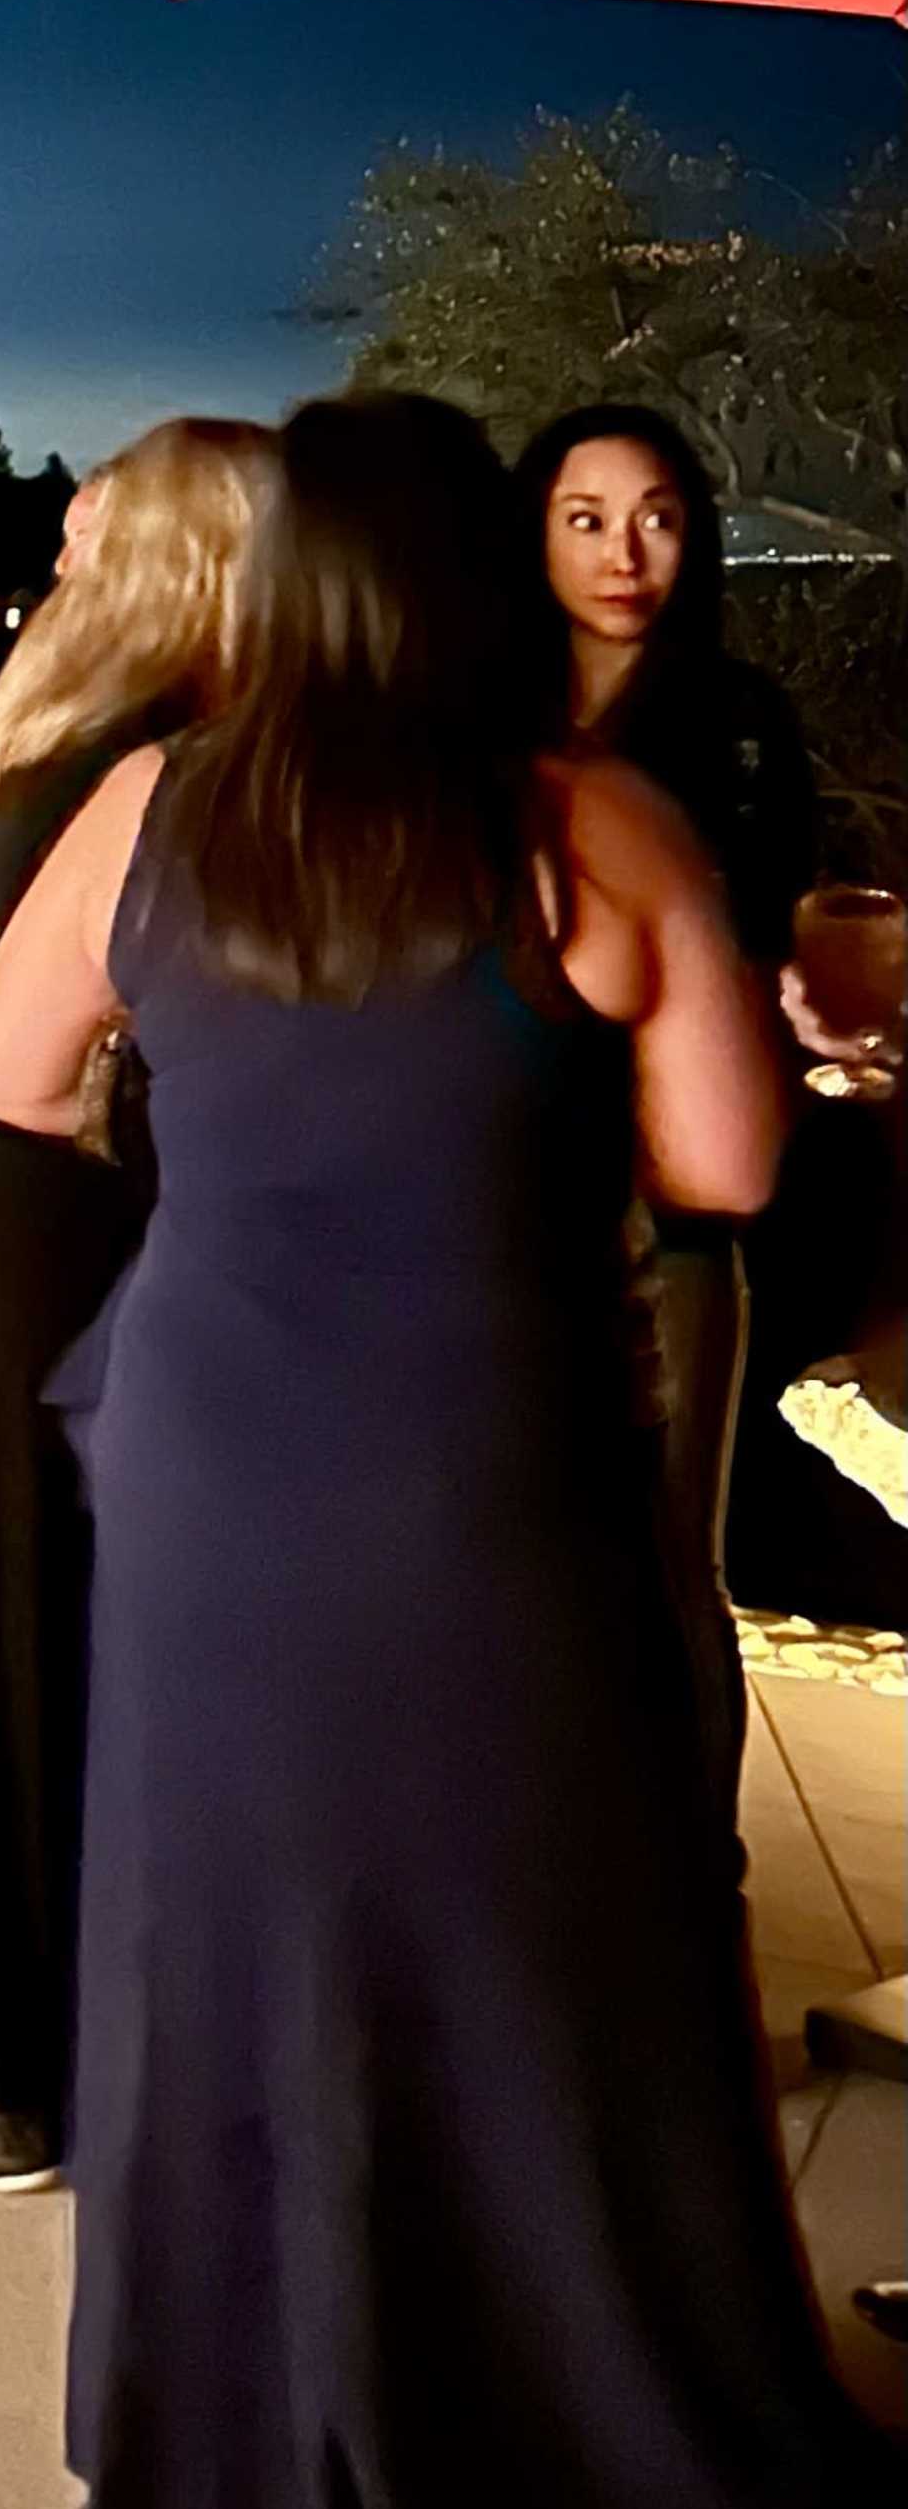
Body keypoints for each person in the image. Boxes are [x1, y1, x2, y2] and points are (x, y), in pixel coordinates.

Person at [0, 392, 893, 2509]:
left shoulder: (148, 810)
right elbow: (728, 1173)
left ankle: (250, 2433)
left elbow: (1, 1072)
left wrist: (213, 1162)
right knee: (549, 1940)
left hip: (211, 1465)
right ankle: (601, 2438)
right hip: (482, 1458)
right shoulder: (588, 831)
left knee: (244, 1940)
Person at [0, 415, 270, 2188]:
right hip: (62, 1208)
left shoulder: (32, 713)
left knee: (8, 1604)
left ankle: (17, 2049)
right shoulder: (139, 745)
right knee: (38, 1614)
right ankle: (10, 2060)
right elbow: (50, 1047)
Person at [518, 402, 903, 1652]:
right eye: (587, 520)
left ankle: (689, 1847)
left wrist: (815, 1006)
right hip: (493, 1191)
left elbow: (766, 938)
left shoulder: (736, 722)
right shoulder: (479, 724)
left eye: (658, 520)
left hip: (667, 1196)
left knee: (670, 1569)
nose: (624, 554)